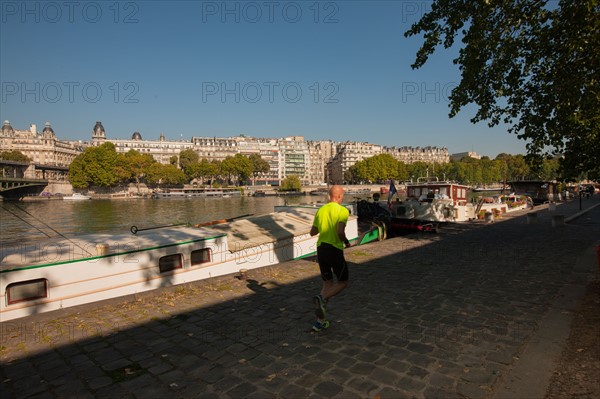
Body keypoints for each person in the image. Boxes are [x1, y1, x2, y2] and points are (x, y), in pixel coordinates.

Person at [309, 185, 352, 332]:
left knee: (327, 283)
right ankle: (321, 299)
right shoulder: (343, 211)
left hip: (321, 249)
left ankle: (320, 322)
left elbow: (312, 232)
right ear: (339, 196)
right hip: (334, 250)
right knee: (343, 282)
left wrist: (323, 225)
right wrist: (346, 242)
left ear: (330, 195)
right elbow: (340, 232)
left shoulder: (320, 210)